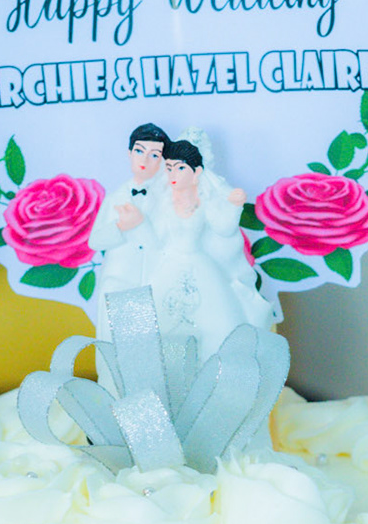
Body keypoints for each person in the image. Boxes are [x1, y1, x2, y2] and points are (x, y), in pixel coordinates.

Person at [145, 132, 277, 363]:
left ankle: (215, 368)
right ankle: (166, 369)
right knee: (160, 317)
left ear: (196, 172)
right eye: (169, 168)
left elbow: (223, 228)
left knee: (216, 318)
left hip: (200, 266)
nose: (173, 174)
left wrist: (234, 206)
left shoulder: (204, 202)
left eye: (180, 168)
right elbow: (153, 236)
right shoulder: (164, 203)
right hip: (170, 266)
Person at [87, 123, 170, 300]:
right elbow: (95, 241)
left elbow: (164, 245)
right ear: (129, 153)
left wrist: (141, 223)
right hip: (119, 280)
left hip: (153, 281)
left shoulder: (166, 199)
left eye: (154, 155)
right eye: (139, 151)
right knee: (126, 318)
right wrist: (120, 227)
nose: (144, 160)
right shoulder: (114, 199)